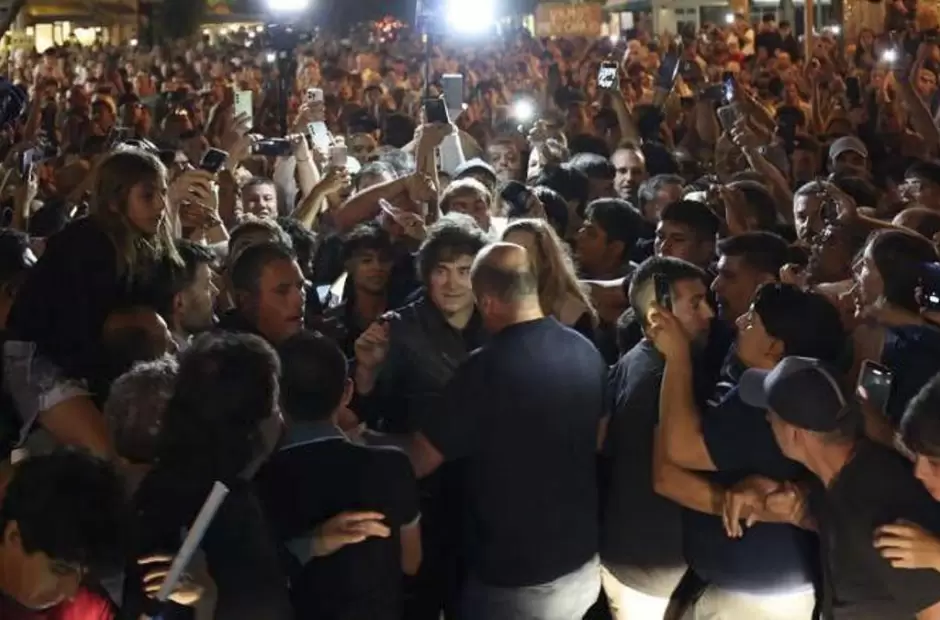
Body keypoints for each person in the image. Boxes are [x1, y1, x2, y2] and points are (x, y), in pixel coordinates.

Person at [407, 242, 605, 619]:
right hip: (580, 565)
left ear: (487, 301)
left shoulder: (484, 369)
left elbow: (420, 460)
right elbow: (600, 436)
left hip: (514, 579)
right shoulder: (584, 350)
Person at [4, 149, 182, 457]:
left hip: (93, 361)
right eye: (148, 196)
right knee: (108, 455)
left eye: (163, 194)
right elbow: (71, 334)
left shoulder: (147, 245)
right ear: (114, 201)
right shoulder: (83, 243)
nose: (161, 206)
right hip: (41, 358)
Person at [739, 356, 940, 619]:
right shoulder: (844, 476)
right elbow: (842, 530)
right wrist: (795, 510)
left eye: (771, 415)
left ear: (794, 433)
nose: (919, 471)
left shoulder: (894, 528)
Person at [123, 332, 293, 620]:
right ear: (250, 424)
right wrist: (204, 598)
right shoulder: (213, 505)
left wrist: (313, 544)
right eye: (274, 405)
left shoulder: (170, 486)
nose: (280, 418)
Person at [255, 330, 421, 620]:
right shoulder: (392, 466)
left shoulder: (261, 480)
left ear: (275, 398)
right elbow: (411, 562)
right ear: (347, 392)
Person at [601, 256, 716, 620]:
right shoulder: (660, 380)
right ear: (658, 315)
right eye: (695, 304)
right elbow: (668, 476)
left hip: (635, 557)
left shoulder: (635, 358)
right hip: (651, 572)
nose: (709, 313)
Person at [0, 451, 125, 618]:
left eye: (82, 574)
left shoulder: (88, 610)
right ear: (14, 536)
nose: (70, 592)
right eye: (59, 569)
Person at [503, 217, 598, 340]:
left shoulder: (571, 312)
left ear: (545, 259)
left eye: (523, 251)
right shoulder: (490, 301)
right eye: (506, 250)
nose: (512, 258)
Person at [219, 241, 306, 345]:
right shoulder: (223, 350)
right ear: (245, 300)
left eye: (300, 287)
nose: (300, 300)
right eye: (282, 291)